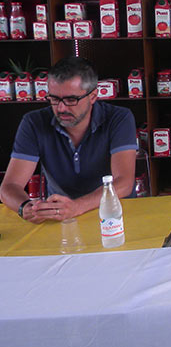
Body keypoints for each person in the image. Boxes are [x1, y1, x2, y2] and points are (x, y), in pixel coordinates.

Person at [0, 57, 137, 223]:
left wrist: (77, 207)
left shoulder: (119, 118)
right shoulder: (34, 122)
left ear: (93, 96)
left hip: (114, 214)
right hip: (60, 218)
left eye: (71, 100)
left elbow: (124, 182)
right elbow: (9, 186)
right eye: (54, 99)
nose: (61, 108)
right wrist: (25, 207)